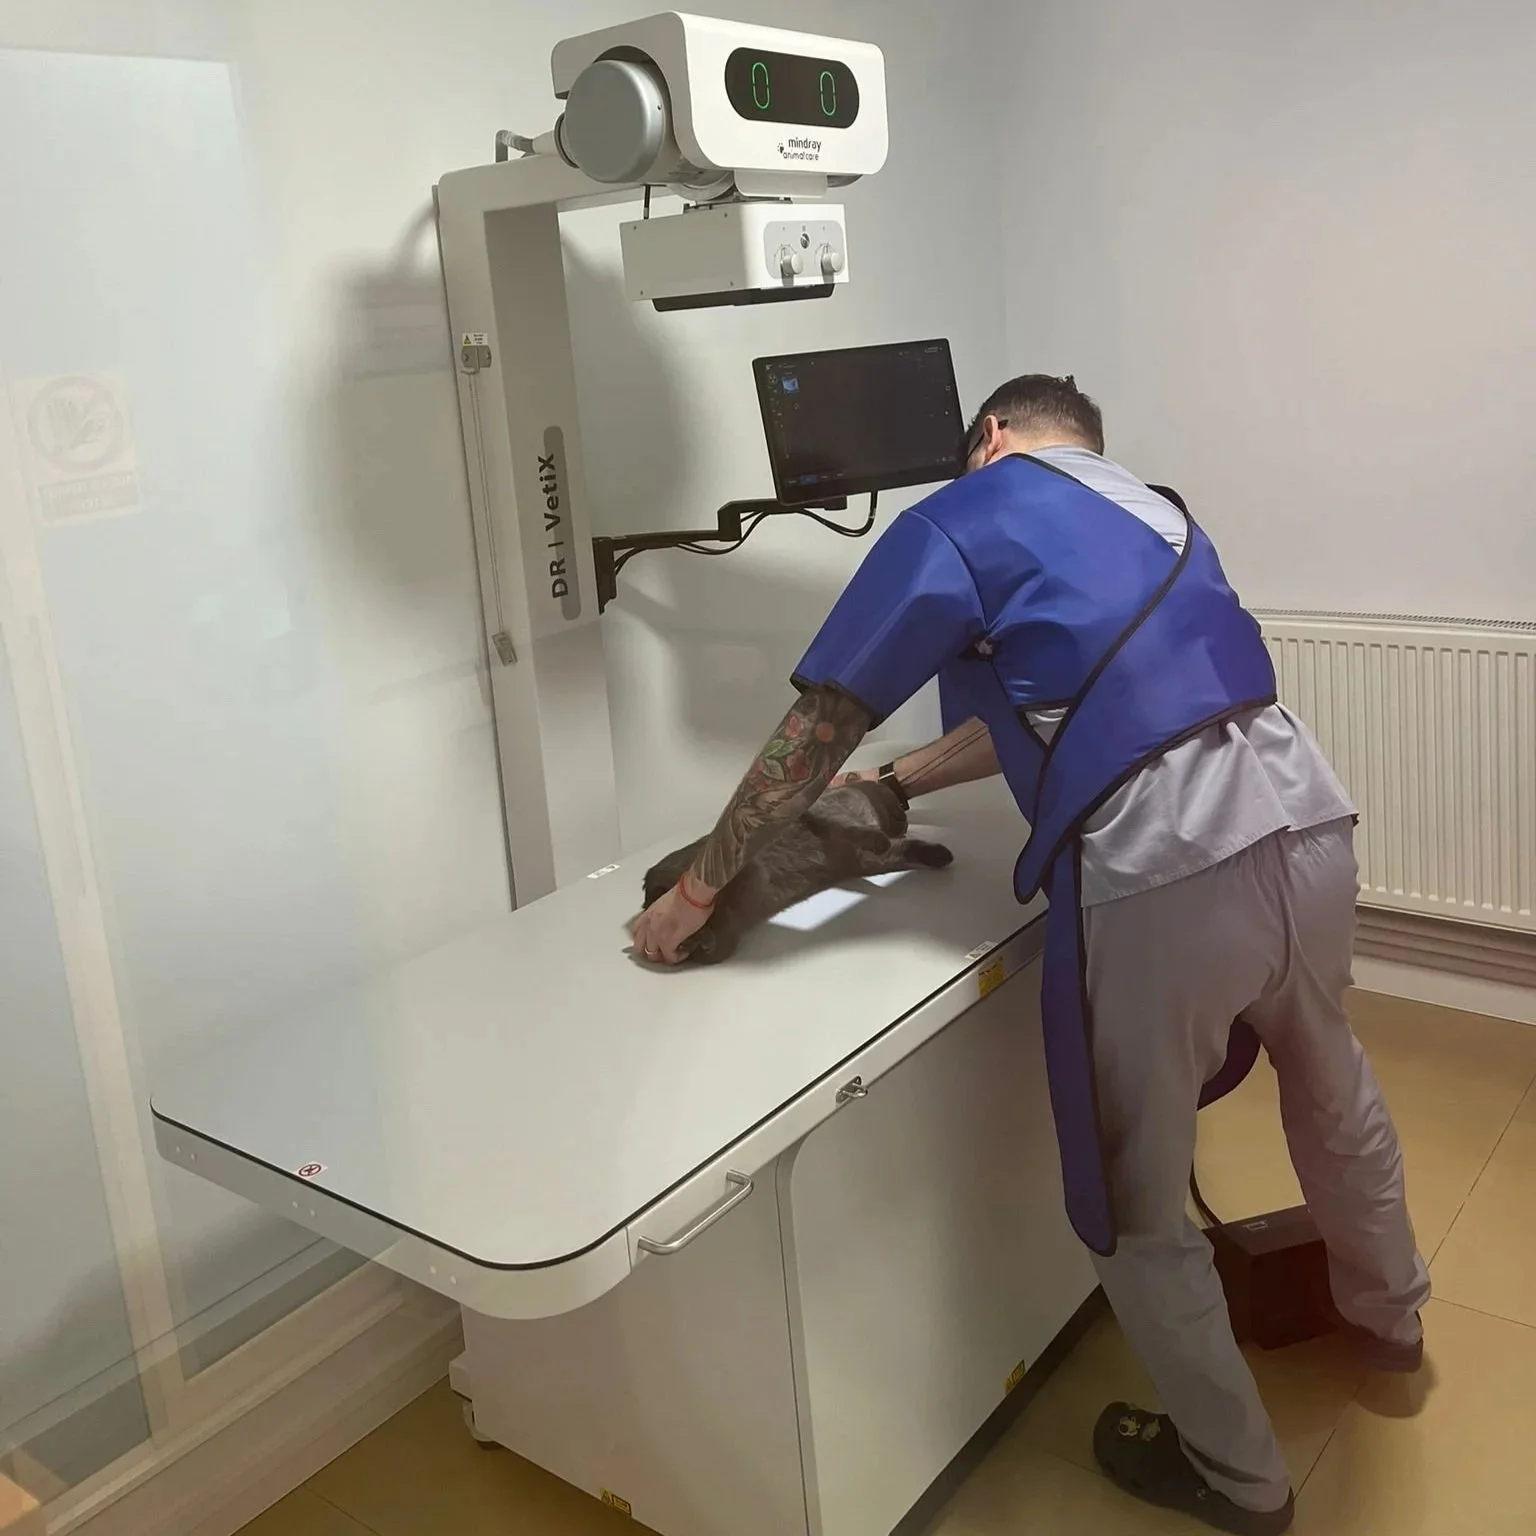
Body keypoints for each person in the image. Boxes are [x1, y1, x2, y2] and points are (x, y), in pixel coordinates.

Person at [630, 374, 1429, 1536]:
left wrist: (699, 889)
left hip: (1169, 871)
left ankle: (1239, 1478)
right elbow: (1071, 699)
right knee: (1329, 1075)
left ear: (991, 439)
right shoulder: (1157, 513)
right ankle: (1392, 1317)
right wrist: (901, 782)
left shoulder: (964, 516)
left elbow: (817, 726)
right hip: (1306, 820)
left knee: (1134, 1196)